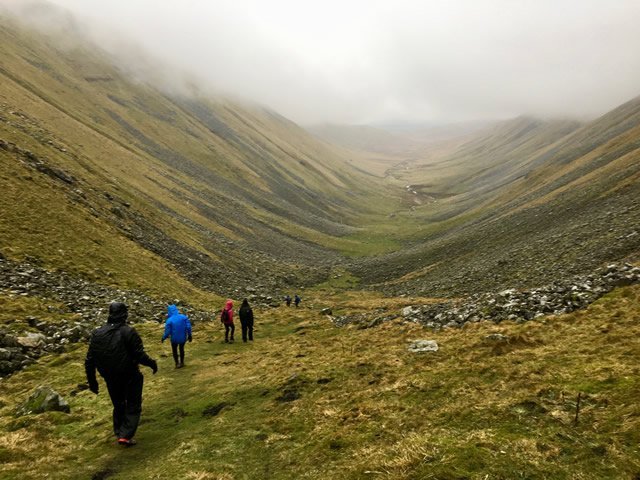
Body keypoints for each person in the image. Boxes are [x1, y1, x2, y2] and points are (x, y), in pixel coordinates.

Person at [85, 302, 158, 447]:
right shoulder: (128, 332)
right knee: (133, 404)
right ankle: (125, 435)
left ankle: (119, 431)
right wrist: (152, 364)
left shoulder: (97, 333)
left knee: (118, 403)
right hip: (129, 374)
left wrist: (92, 382)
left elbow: (89, 360)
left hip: (109, 376)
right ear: (124, 314)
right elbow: (139, 355)